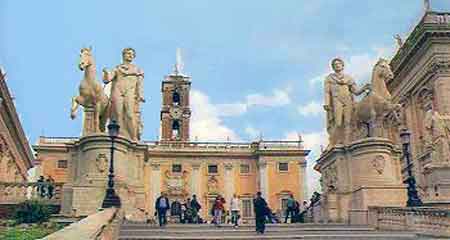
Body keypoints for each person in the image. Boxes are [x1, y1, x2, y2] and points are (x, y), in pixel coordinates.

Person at [324, 58, 369, 145]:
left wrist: (364, 88)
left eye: (339, 64)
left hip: (347, 100)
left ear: (342, 65)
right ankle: (336, 141)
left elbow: (356, 92)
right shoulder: (329, 78)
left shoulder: (349, 78)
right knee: (338, 122)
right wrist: (327, 103)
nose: (337, 65)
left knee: (348, 121)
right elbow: (327, 92)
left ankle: (348, 141)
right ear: (333, 67)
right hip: (336, 100)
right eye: (335, 64)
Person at [103, 48, 145, 141]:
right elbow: (107, 80)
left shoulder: (137, 70)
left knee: (130, 114)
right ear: (123, 55)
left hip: (129, 92)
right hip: (117, 91)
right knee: (117, 114)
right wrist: (106, 73)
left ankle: (134, 137)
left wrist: (140, 95)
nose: (130, 55)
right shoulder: (117, 68)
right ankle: (119, 135)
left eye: (132, 54)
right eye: (128, 54)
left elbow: (140, 84)